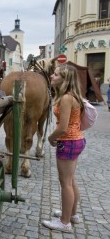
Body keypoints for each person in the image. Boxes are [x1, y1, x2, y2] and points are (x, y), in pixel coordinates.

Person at [42, 64, 86, 233]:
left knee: (65, 183)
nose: (52, 76)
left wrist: (51, 138)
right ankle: (72, 214)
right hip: (76, 140)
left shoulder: (67, 98)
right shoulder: (74, 96)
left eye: (56, 74)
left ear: (65, 79)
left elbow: (63, 128)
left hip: (68, 141)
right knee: (71, 180)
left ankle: (64, 222)